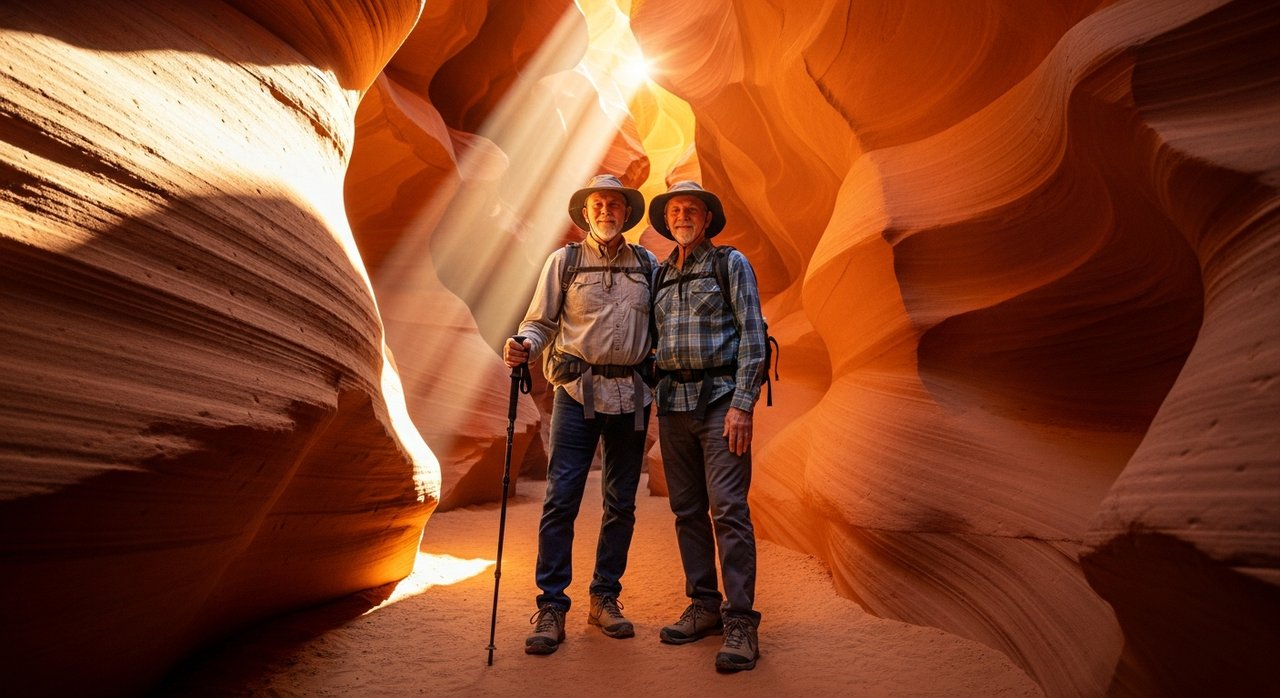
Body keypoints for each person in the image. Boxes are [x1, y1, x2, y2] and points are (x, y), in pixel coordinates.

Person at [503, 174, 659, 656]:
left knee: (621, 504)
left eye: (615, 204)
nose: (607, 211)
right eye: (599, 204)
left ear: (627, 213)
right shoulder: (565, 262)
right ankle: (551, 605)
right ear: (586, 213)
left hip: (632, 396)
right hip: (576, 392)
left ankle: (604, 597)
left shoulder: (648, 265)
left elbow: (665, 323)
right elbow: (539, 320)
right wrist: (524, 345)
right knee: (561, 499)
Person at [649, 180, 767, 672]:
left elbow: (754, 335)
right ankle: (703, 605)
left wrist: (743, 404)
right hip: (672, 403)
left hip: (721, 402)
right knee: (687, 509)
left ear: (706, 218)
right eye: (675, 210)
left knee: (729, 509)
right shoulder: (659, 275)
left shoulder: (729, 263)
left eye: (690, 209)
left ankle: (740, 620)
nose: (682, 217)